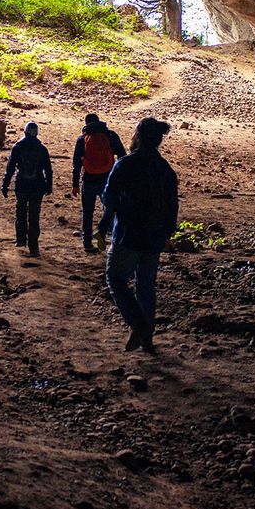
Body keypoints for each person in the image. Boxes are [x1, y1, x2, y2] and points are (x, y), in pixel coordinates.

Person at [99, 117, 178, 353]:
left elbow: (109, 197)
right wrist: (167, 232)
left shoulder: (125, 164)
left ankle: (138, 325)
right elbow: (172, 204)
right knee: (145, 285)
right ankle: (147, 339)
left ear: (139, 137)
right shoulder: (165, 170)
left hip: (129, 234)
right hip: (154, 237)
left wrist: (104, 224)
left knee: (115, 278)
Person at [71, 112, 126, 253]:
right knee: (110, 210)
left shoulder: (82, 139)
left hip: (88, 181)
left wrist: (75, 184)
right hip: (107, 181)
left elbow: (77, 164)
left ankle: (87, 242)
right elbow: (122, 156)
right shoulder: (111, 136)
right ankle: (107, 236)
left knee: (87, 212)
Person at [1, 122, 53, 256]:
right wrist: (49, 185)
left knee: (21, 212)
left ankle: (21, 240)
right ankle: (34, 246)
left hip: (22, 185)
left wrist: (5, 185)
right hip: (37, 186)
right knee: (34, 216)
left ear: (24, 132)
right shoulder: (42, 148)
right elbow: (48, 169)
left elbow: (10, 168)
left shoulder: (18, 147)